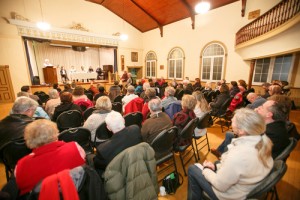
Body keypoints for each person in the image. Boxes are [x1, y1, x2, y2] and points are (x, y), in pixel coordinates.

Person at [187, 108, 273, 200]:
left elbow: (220, 185)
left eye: (234, 120)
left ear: (241, 131)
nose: (231, 119)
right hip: (244, 188)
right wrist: (216, 167)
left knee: (193, 169)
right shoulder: (262, 141)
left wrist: (206, 169)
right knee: (216, 164)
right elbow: (237, 168)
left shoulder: (238, 155)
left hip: (228, 195)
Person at [15, 119, 86, 195]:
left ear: (28, 139)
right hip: (76, 193)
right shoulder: (75, 148)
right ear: (55, 133)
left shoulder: (21, 166)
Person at [211, 99, 290, 159]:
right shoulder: (273, 123)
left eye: (262, 107)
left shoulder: (271, 133)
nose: (258, 107)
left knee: (232, 137)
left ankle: (224, 158)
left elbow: (248, 146)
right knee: (229, 134)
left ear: (269, 114)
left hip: (253, 160)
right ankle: (221, 153)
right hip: (254, 152)